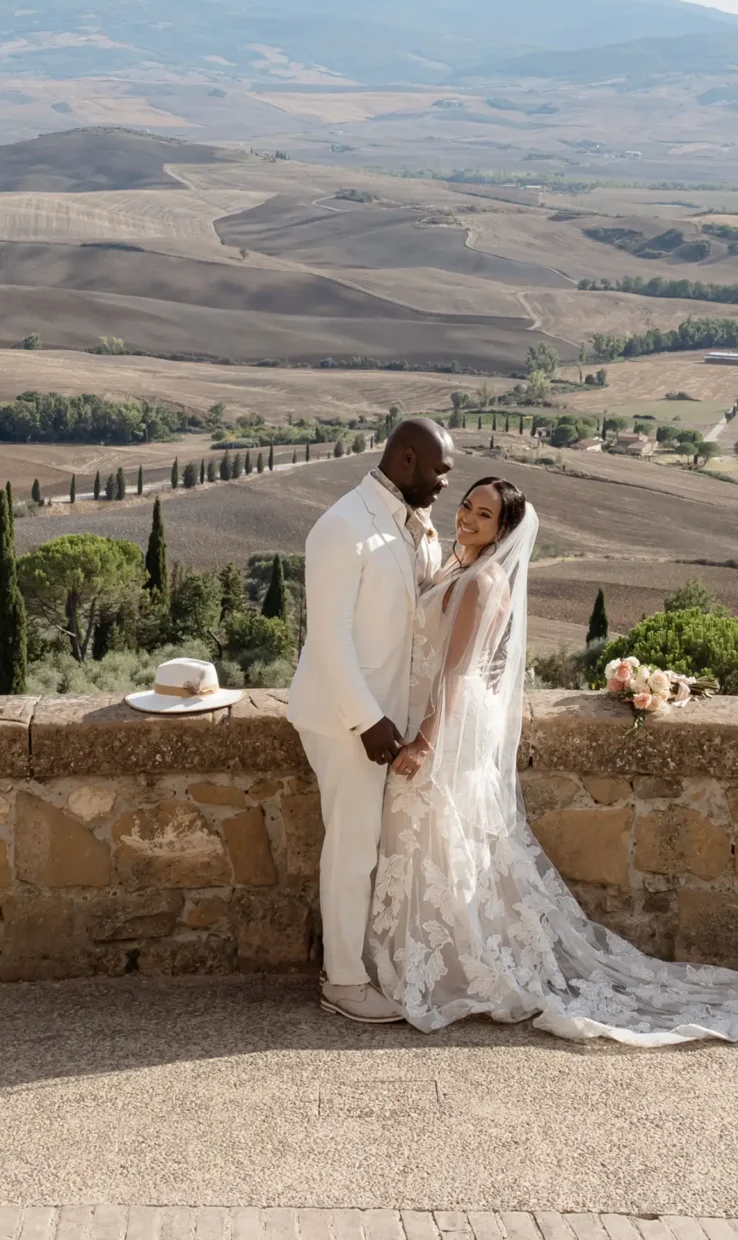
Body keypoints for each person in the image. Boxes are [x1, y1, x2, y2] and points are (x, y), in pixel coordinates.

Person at [367, 475, 738, 1047]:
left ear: (504, 531)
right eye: (467, 505)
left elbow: (458, 670)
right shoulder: (456, 566)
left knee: (440, 839)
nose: (467, 517)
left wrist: (424, 740)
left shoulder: (482, 581)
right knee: (441, 845)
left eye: (484, 515)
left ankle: (450, 969)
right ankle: (440, 960)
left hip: (446, 727)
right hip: (441, 716)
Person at [287, 417, 454, 1023]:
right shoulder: (341, 526)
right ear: (406, 460)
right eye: (438, 470)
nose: (443, 483)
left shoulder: (415, 526)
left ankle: (366, 963)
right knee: (352, 849)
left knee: (372, 847)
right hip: (342, 721)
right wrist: (367, 720)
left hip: (388, 721)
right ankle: (344, 981)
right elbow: (327, 636)